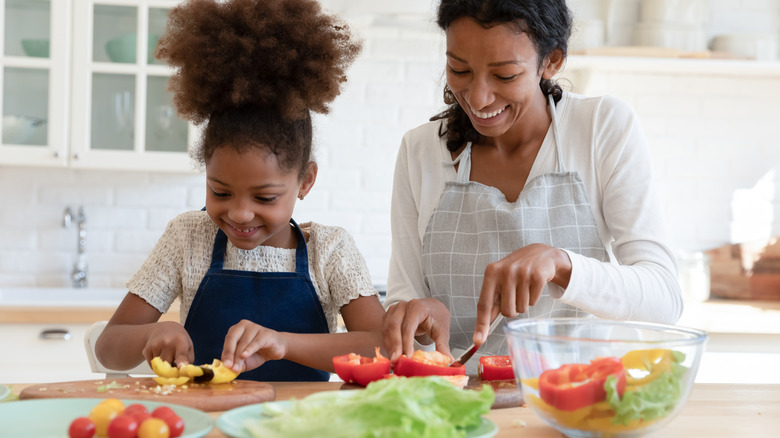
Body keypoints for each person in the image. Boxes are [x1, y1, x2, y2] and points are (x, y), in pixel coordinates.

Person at [382, 0, 683, 369]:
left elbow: (664, 297)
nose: (478, 98)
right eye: (459, 69)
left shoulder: (601, 127)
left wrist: (561, 264)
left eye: (505, 75)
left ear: (551, 61)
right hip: (457, 402)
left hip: (575, 399)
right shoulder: (420, 150)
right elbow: (403, 299)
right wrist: (416, 316)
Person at [96, 0, 385, 382]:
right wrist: (152, 333)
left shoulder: (329, 251)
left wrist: (284, 343)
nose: (239, 213)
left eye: (264, 197)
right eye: (220, 192)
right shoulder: (187, 238)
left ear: (305, 182)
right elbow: (108, 347)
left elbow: (381, 350)